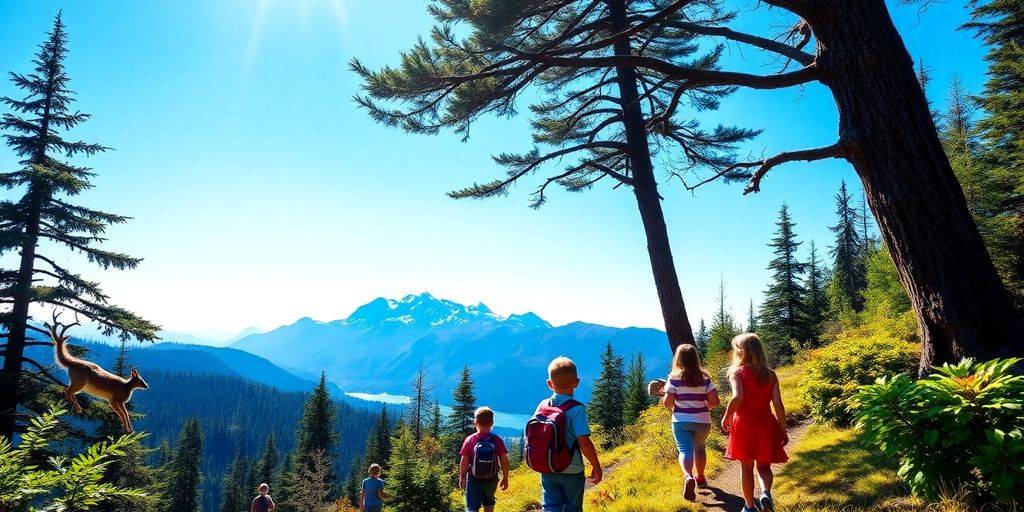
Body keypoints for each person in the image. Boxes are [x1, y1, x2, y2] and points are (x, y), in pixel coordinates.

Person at [721, 333, 788, 512]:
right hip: (766, 422)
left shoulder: (737, 373)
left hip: (744, 424)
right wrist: (782, 429)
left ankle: (749, 506)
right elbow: (778, 405)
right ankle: (766, 493)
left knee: (747, 466)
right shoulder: (770, 375)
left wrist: (727, 416)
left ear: (741, 353)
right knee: (764, 466)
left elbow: (738, 397)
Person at [537, 356, 602, 512]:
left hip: (547, 468)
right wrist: (596, 465)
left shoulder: (543, 405)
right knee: (573, 507)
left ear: (549, 384)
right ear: (577, 382)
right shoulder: (577, 409)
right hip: (572, 469)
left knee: (551, 507)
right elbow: (584, 443)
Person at [661, 344, 720, 501]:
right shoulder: (705, 377)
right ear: (696, 359)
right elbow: (715, 401)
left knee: (684, 450)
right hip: (702, 421)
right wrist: (703, 406)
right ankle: (700, 478)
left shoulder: (674, 378)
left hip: (681, 421)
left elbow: (667, 403)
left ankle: (688, 477)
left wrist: (668, 397)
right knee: (700, 449)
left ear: (678, 359)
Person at [459, 406, 511, 512]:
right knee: (489, 502)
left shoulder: (470, 439)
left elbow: (464, 461)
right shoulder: (497, 440)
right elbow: (504, 459)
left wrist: (462, 477)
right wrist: (505, 477)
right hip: (492, 478)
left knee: (472, 506)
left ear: (475, 422)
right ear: (492, 423)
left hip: (474, 478)